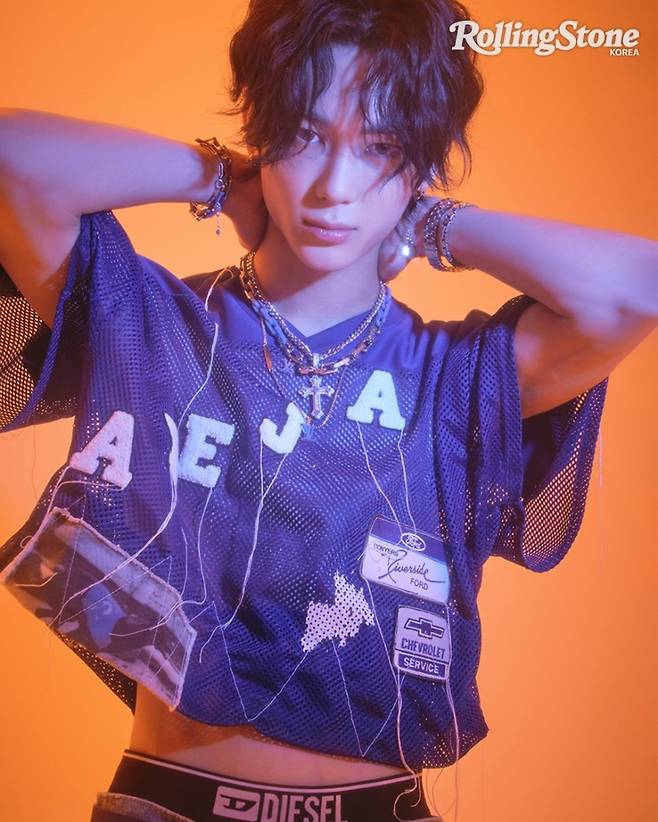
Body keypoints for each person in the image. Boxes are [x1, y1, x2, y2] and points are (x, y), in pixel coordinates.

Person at [0, 1, 656, 821]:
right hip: (170, 803)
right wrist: (219, 177)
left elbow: (637, 289)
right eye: (305, 136)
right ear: (261, 128)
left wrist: (437, 223)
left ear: (423, 158)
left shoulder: (454, 377)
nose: (334, 189)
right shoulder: (156, 328)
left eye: (380, 148)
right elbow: (13, 157)